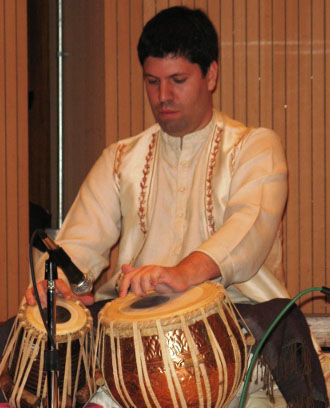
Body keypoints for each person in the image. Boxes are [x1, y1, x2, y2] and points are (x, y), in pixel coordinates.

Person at [21, 6, 328, 408]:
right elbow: (80, 241)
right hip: (131, 351)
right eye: (152, 82)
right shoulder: (121, 160)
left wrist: (183, 274)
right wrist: (58, 284)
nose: (162, 96)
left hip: (239, 342)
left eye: (177, 80)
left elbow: (248, 232)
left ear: (211, 75)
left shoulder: (254, 148)